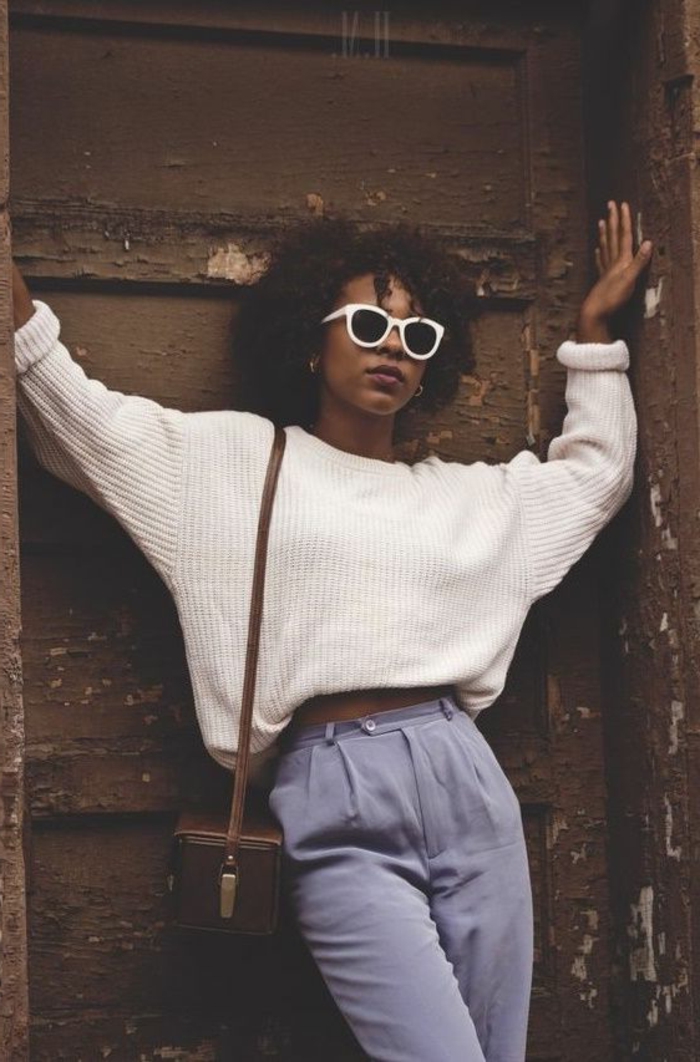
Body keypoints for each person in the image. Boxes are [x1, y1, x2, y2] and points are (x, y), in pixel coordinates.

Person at [12, 201, 653, 1061]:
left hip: (467, 785)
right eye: (366, 324)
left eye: (417, 337)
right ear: (311, 342)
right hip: (333, 799)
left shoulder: (471, 499)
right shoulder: (231, 466)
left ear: (433, 367)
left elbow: (598, 476)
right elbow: (75, 415)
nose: (394, 345)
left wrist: (594, 336)